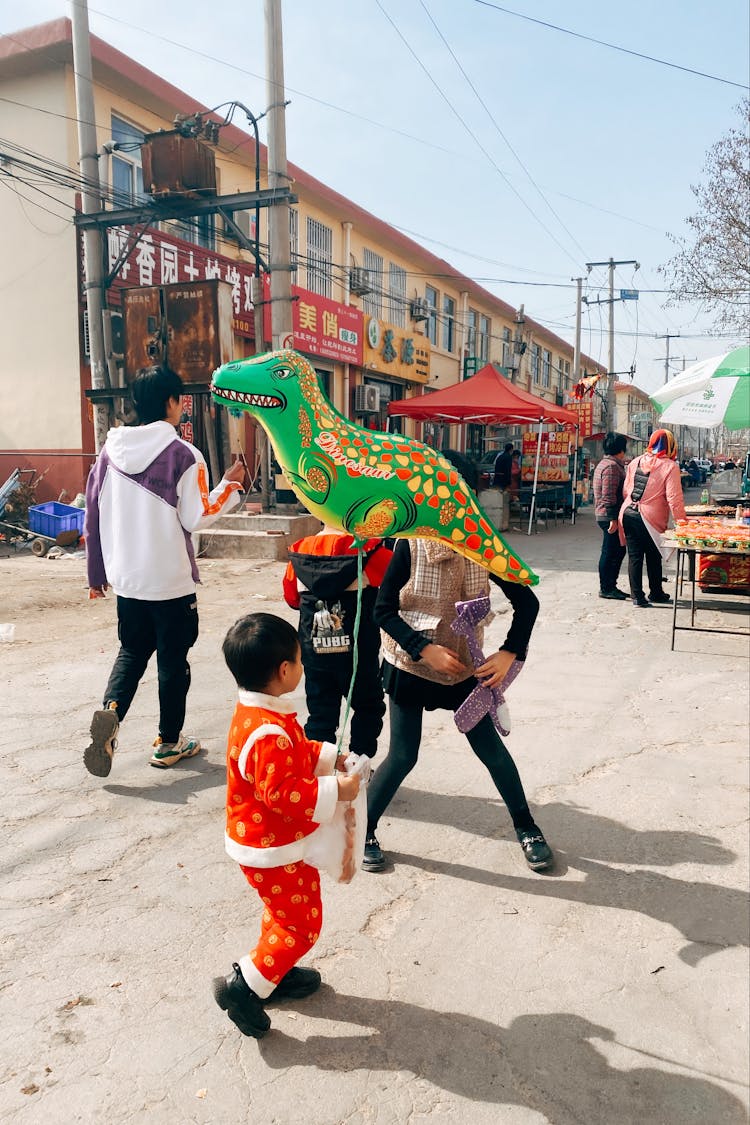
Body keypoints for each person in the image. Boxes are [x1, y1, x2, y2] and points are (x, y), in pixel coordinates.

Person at [83, 364, 246, 777]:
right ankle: (169, 741)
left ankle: (112, 713)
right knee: (173, 662)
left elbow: (93, 515)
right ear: (173, 402)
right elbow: (196, 516)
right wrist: (230, 486)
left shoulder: (107, 453)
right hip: (170, 582)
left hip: (127, 580)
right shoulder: (183, 454)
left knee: (132, 652)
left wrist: (96, 575)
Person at [363, 538, 552, 874]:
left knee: (492, 751)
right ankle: (363, 830)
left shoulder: (483, 544)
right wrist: (422, 648)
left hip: (464, 668)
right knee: (403, 755)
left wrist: (511, 651)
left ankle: (527, 828)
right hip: (409, 666)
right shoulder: (410, 545)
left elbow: (528, 602)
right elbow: (383, 609)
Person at [212, 612, 360, 1039]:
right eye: (299, 660)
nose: (302, 666)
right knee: (301, 925)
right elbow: (285, 793)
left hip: (267, 845)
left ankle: (274, 971)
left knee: (282, 915)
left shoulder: (261, 713)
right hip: (271, 846)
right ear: (284, 671)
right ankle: (247, 988)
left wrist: (331, 758)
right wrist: (338, 790)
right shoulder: (268, 732)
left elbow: (295, 753)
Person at [282, 527, 393, 758]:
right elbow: (397, 580)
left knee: (321, 715)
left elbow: (292, 599)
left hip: (315, 655)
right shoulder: (371, 551)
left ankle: (320, 769)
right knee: (368, 708)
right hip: (358, 656)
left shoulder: (299, 553)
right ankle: (357, 766)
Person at [618, 428, 687, 608]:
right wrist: (682, 523)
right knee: (654, 554)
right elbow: (674, 499)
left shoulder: (635, 462)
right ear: (671, 445)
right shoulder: (670, 467)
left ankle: (637, 597)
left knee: (635, 556)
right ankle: (655, 592)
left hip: (628, 512)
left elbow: (627, 490)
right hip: (650, 518)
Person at [592, 433, 628, 600]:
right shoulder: (612, 467)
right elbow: (608, 495)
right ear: (620, 449)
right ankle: (606, 588)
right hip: (608, 516)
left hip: (607, 514)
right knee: (610, 551)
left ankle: (610, 585)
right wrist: (613, 518)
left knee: (617, 550)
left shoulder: (605, 463)